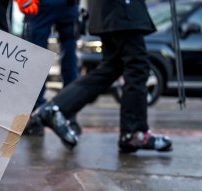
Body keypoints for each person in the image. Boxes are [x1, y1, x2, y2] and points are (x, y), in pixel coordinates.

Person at [32, 0, 173, 152]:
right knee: (136, 66)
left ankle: (56, 108)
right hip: (122, 10)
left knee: (112, 67)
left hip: (110, 10)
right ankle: (134, 132)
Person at [16, 0, 81, 136]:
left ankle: (36, 116)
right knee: (69, 57)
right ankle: (70, 113)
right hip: (68, 5)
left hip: (41, 5)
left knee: (37, 58)